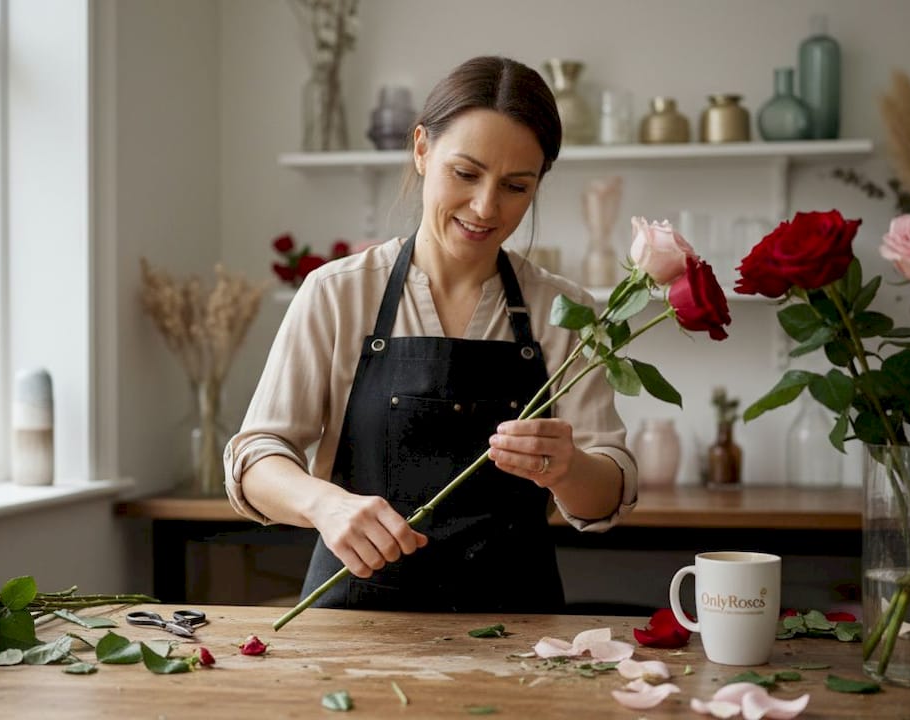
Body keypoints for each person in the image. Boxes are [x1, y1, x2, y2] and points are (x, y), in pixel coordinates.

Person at [223, 55, 637, 613]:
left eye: (516, 186)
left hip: (516, 630)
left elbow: (607, 492)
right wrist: (324, 504)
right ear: (422, 149)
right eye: (465, 174)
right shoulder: (337, 293)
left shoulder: (566, 311)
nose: (486, 207)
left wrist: (570, 469)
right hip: (356, 627)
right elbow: (255, 458)